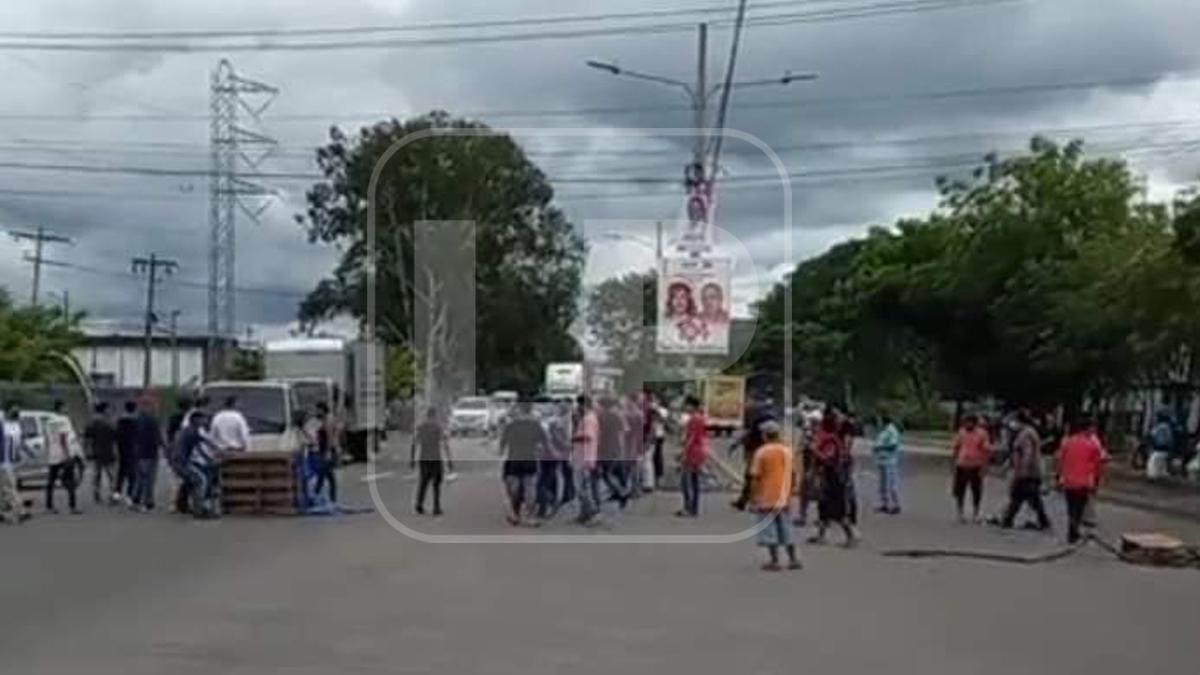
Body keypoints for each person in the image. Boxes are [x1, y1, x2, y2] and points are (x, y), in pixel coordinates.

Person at [749, 421, 801, 571]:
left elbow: (755, 477)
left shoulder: (761, 453)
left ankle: (775, 561)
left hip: (766, 495)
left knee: (769, 529)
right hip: (783, 496)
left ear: (764, 435)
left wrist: (753, 497)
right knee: (786, 527)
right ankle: (793, 559)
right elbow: (793, 473)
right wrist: (792, 490)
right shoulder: (786, 451)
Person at [808, 410, 858, 547]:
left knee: (837, 510)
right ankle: (821, 536)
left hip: (833, 479)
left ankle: (851, 536)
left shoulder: (830, 440)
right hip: (829, 478)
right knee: (823, 508)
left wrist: (815, 451)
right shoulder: (829, 437)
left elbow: (829, 459)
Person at [1056, 417, 1108, 544]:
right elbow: (1098, 466)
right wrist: (1096, 483)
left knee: (1071, 507)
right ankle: (1073, 532)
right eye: (1093, 428)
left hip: (1068, 481)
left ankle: (1072, 531)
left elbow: (1059, 460)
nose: (1094, 431)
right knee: (1078, 508)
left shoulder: (1068, 442)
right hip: (1084, 482)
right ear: (1088, 428)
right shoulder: (1092, 446)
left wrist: (1059, 477)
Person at [999, 410, 1051, 531]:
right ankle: (1009, 519)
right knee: (1025, 497)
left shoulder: (1025, 434)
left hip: (1027, 473)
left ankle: (1009, 520)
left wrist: (1022, 471)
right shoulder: (1028, 432)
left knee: (1024, 497)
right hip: (1030, 472)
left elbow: (1027, 454)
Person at [498, 402, 548, 526]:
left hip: (514, 460)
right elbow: (544, 442)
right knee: (530, 488)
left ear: (519, 410)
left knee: (514, 489)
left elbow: (502, 443)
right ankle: (529, 516)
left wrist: (501, 451)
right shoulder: (535, 425)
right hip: (529, 460)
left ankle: (517, 514)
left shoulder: (511, 426)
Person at [178, 409, 219, 518]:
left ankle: (190, 506)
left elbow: (201, 443)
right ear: (196, 420)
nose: (205, 420)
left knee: (195, 481)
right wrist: (213, 456)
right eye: (203, 418)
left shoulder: (191, 430)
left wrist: (210, 458)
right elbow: (201, 445)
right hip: (182, 462)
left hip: (182, 461)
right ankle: (199, 510)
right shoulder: (191, 431)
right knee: (201, 481)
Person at [412, 407, 452, 516]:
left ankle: (419, 505)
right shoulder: (438, 427)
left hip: (424, 458)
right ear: (434, 415)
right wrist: (449, 460)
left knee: (423, 482)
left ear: (427, 415)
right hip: (435, 458)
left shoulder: (421, 427)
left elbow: (415, 443)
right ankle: (436, 506)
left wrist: (412, 459)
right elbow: (445, 444)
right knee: (436, 484)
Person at [950, 414, 991, 523]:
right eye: (965, 422)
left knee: (976, 490)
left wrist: (984, 467)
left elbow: (986, 451)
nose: (967, 425)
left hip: (976, 466)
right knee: (960, 490)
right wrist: (953, 463)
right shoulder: (961, 432)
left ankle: (976, 513)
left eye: (969, 422)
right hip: (962, 465)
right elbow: (956, 448)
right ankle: (960, 512)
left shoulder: (982, 434)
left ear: (975, 423)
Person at [537, 401, 573, 518]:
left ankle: (548, 504)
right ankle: (551, 502)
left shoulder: (547, 423)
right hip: (552, 454)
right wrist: (566, 446)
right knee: (549, 479)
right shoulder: (554, 422)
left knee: (545, 480)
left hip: (547, 455)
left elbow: (552, 439)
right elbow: (558, 439)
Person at [44, 405, 81, 515]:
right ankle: (72, 507)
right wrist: (67, 454)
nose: (66, 409)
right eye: (64, 408)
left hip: (52, 454)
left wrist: (47, 453)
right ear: (60, 408)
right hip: (63, 454)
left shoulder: (49, 421)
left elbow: (46, 438)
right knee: (70, 481)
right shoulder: (64, 420)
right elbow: (63, 438)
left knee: (51, 482)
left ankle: (49, 506)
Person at [571, 396, 601, 524]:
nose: (577, 408)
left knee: (581, 487)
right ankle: (584, 513)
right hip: (585, 455)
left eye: (579, 405)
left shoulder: (589, 419)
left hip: (585, 457)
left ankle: (592, 510)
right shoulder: (589, 418)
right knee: (583, 486)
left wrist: (573, 437)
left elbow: (588, 436)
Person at [676, 395, 708, 518]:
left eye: (687, 405)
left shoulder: (693, 419)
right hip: (699, 451)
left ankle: (687, 507)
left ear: (691, 406)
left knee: (686, 481)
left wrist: (683, 453)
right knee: (695, 481)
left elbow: (691, 438)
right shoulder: (701, 418)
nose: (685, 407)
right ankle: (694, 508)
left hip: (692, 452)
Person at [131, 396, 164, 512]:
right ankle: (146, 501)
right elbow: (158, 437)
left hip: (141, 453)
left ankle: (137, 500)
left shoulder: (137, 420)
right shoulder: (152, 420)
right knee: (148, 479)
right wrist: (164, 448)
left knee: (141, 479)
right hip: (149, 453)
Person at [83, 402, 119, 505]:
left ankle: (96, 494)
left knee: (96, 475)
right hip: (108, 452)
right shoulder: (109, 423)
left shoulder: (91, 423)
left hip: (96, 452)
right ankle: (113, 495)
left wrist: (86, 451)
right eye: (108, 409)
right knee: (112, 476)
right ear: (104, 410)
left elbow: (87, 439)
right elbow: (115, 438)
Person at [1, 404, 31, 524]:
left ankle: (20, 511)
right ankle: (7, 511)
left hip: (5, 462)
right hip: (7, 463)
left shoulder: (8, 426)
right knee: (7, 488)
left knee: (9, 488)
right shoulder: (12, 426)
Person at [596, 397, 629, 508]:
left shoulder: (601, 417)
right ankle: (618, 492)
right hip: (615, 448)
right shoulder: (617, 416)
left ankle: (621, 492)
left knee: (606, 474)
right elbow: (624, 431)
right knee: (612, 472)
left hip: (605, 449)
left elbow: (598, 434)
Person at [872, 413, 902, 515]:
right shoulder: (883, 431)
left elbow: (893, 445)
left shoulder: (892, 431)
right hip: (882, 460)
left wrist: (880, 448)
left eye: (879, 421)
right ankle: (885, 504)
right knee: (883, 485)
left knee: (891, 485)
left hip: (890, 461)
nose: (878, 423)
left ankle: (895, 505)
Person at [311, 401, 339, 503]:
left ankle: (316, 495)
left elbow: (330, 437)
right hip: (324, 450)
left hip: (329, 450)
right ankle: (332, 498)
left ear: (322, 409)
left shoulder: (328, 420)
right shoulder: (323, 420)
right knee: (328, 475)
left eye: (318, 409)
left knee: (323, 474)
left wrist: (328, 452)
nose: (316, 412)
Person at [114, 400, 139, 504]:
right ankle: (129, 495)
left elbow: (117, 436)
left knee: (121, 472)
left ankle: (117, 493)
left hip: (121, 449)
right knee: (132, 474)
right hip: (132, 449)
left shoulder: (120, 421)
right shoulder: (135, 422)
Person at [1145, 411, 1174, 480]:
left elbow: (1152, 435)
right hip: (1165, 447)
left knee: (1153, 462)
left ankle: (1152, 475)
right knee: (1161, 462)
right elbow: (1170, 438)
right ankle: (1160, 474)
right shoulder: (1167, 427)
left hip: (1158, 447)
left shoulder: (1158, 427)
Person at [647, 395, 668, 487]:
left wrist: (656, 411)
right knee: (653, 456)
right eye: (652, 400)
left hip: (659, 435)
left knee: (658, 455)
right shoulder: (650, 409)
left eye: (655, 399)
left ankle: (659, 474)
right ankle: (654, 474)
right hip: (654, 434)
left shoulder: (663, 410)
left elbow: (663, 420)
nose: (653, 402)